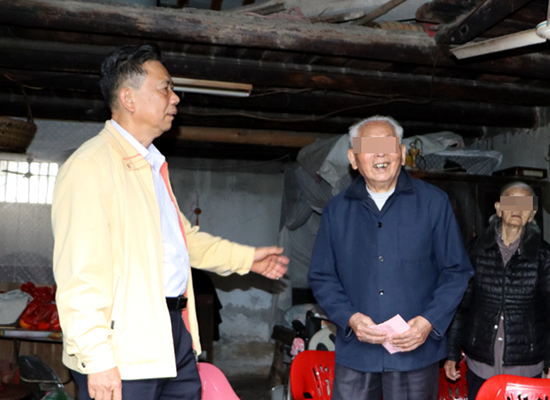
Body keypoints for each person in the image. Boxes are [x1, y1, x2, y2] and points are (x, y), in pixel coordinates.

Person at [51, 44, 288, 400]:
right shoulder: (91, 166)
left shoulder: (150, 165)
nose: (175, 98)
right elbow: (79, 276)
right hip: (124, 345)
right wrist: (97, 358)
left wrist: (246, 259)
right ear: (128, 98)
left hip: (173, 331)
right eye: (165, 88)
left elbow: (183, 239)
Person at [307, 115, 473, 400]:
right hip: (357, 352)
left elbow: (456, 271)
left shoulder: (434, 203)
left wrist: (428, 322)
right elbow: (322, 277)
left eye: (387, 145)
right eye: (370, 147)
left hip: (414, 351)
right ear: (353, 158)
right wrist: (351, 319)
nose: (380, 154)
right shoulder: (336, 211)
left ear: (402, 153)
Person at [444, 182, 550, 400]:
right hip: (480, 364)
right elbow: (461, 306)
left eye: (525, 204)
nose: (517, 208)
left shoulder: (543, 255)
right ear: (499, 208)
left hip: (526, 365)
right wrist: (452, 353)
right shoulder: (476, 250)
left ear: (532, 215)